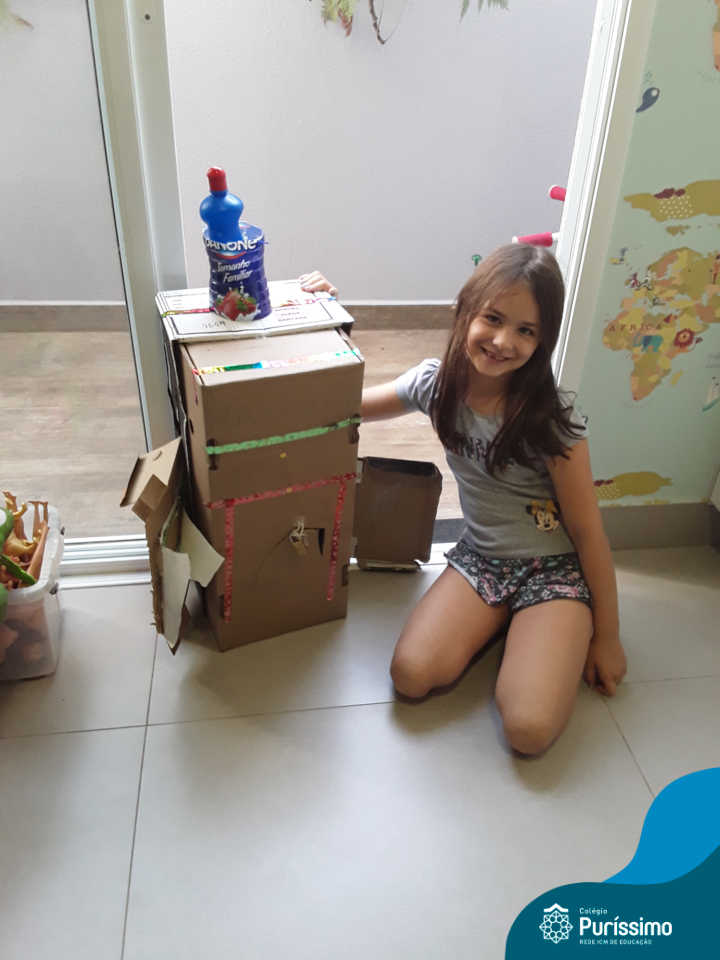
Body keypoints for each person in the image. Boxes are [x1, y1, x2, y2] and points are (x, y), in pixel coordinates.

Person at [300, 246, 627, 755]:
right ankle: (510, 623)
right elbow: (345, 405)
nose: (503, 341)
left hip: (555, 569)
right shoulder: (434, 385)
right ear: (465, 309)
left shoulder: (552, 419)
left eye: (526, 330)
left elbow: (588, 532)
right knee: (410, 675)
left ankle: (546, 623)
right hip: (482, 557)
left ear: (543, 340)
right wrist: (325, 324)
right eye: (493, 319)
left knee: (527, 730)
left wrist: (608, 637)